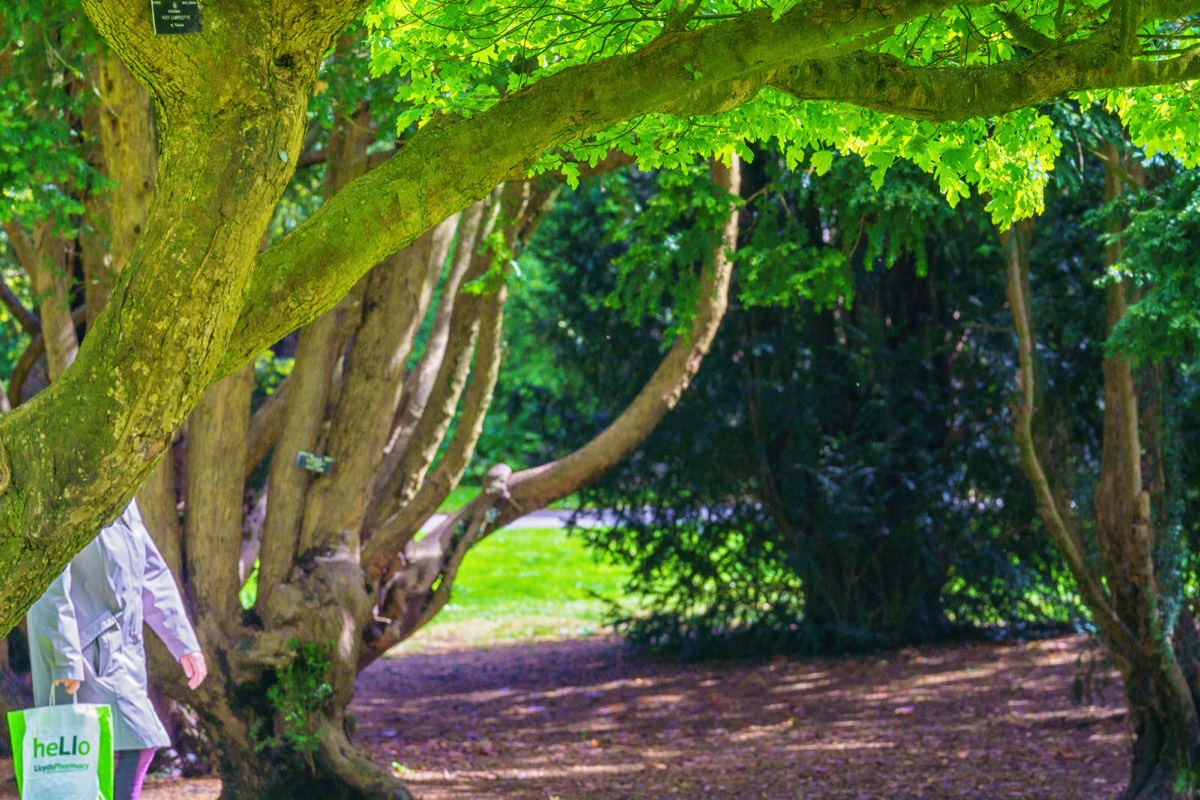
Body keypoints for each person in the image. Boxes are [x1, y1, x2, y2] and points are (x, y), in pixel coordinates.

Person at [27, 499, 207, 800]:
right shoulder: (66, 491)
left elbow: (151, 570)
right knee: (136, 740)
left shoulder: (124, 494)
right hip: (84, 655)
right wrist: (64, 658)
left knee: (122, 748)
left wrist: (183, 642)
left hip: (123, 652)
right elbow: (47, 580)